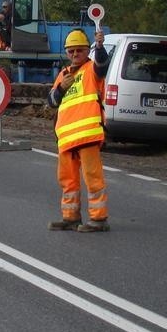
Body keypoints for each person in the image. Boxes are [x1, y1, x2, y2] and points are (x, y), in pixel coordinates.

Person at [47, 28, 110, 233]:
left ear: (86, 51)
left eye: (80, 50)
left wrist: (99, 47)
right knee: (67, 179)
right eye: (71, 51)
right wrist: (60, 89)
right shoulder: (63, 75)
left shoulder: (92, 69)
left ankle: (98, 219)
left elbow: (102, 65)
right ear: (67, 53)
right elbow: (52, 102)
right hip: (66, 139)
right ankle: (71, 217)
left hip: (88, 135)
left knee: (93, 177)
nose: (75, 54)